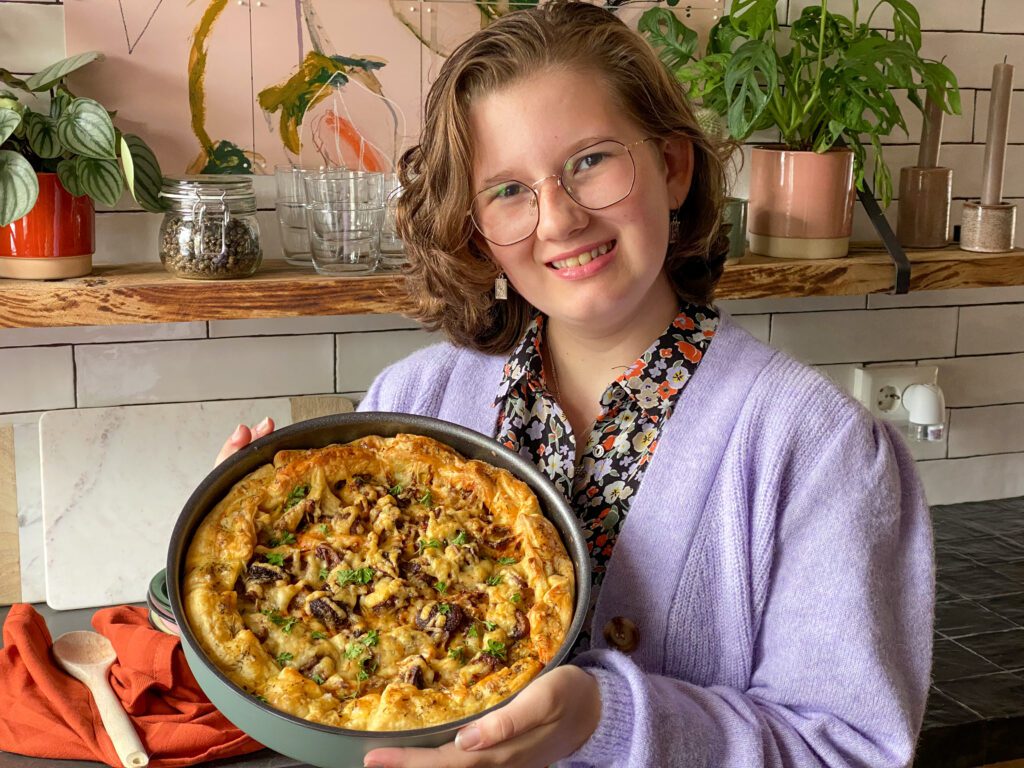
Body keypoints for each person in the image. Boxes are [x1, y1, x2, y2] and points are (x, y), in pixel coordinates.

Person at [218, 3, 934, 766]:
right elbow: (312, 678)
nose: (557, 219)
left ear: (673, 166)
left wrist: (609, 718)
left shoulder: (819, 449)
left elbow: (849, 753)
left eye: (591, 160)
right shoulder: (409, 405)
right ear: (476, 231)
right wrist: (240, 574)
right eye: (507, 190)